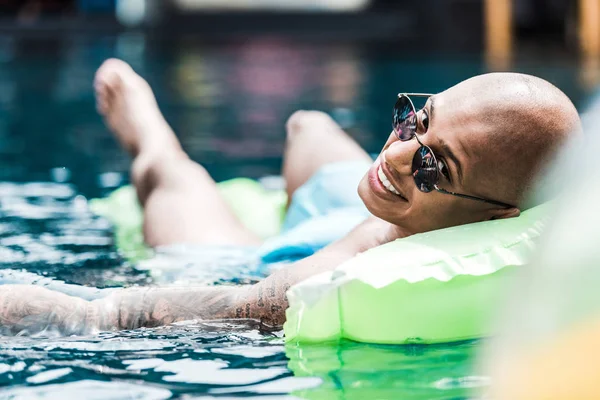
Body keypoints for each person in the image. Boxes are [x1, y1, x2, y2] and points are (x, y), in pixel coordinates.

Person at [0, 59, 581, 336]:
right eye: (414, 119)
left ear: (501, 213)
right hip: (342, 210)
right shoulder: (401, 180)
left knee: (173, 177)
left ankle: (149, 132)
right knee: (308, 124)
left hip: (277, 254)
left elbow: (111, 315)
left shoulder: (341, 276)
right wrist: (421, 172)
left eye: (433, 165)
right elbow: (402, 163)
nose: (398, 154)